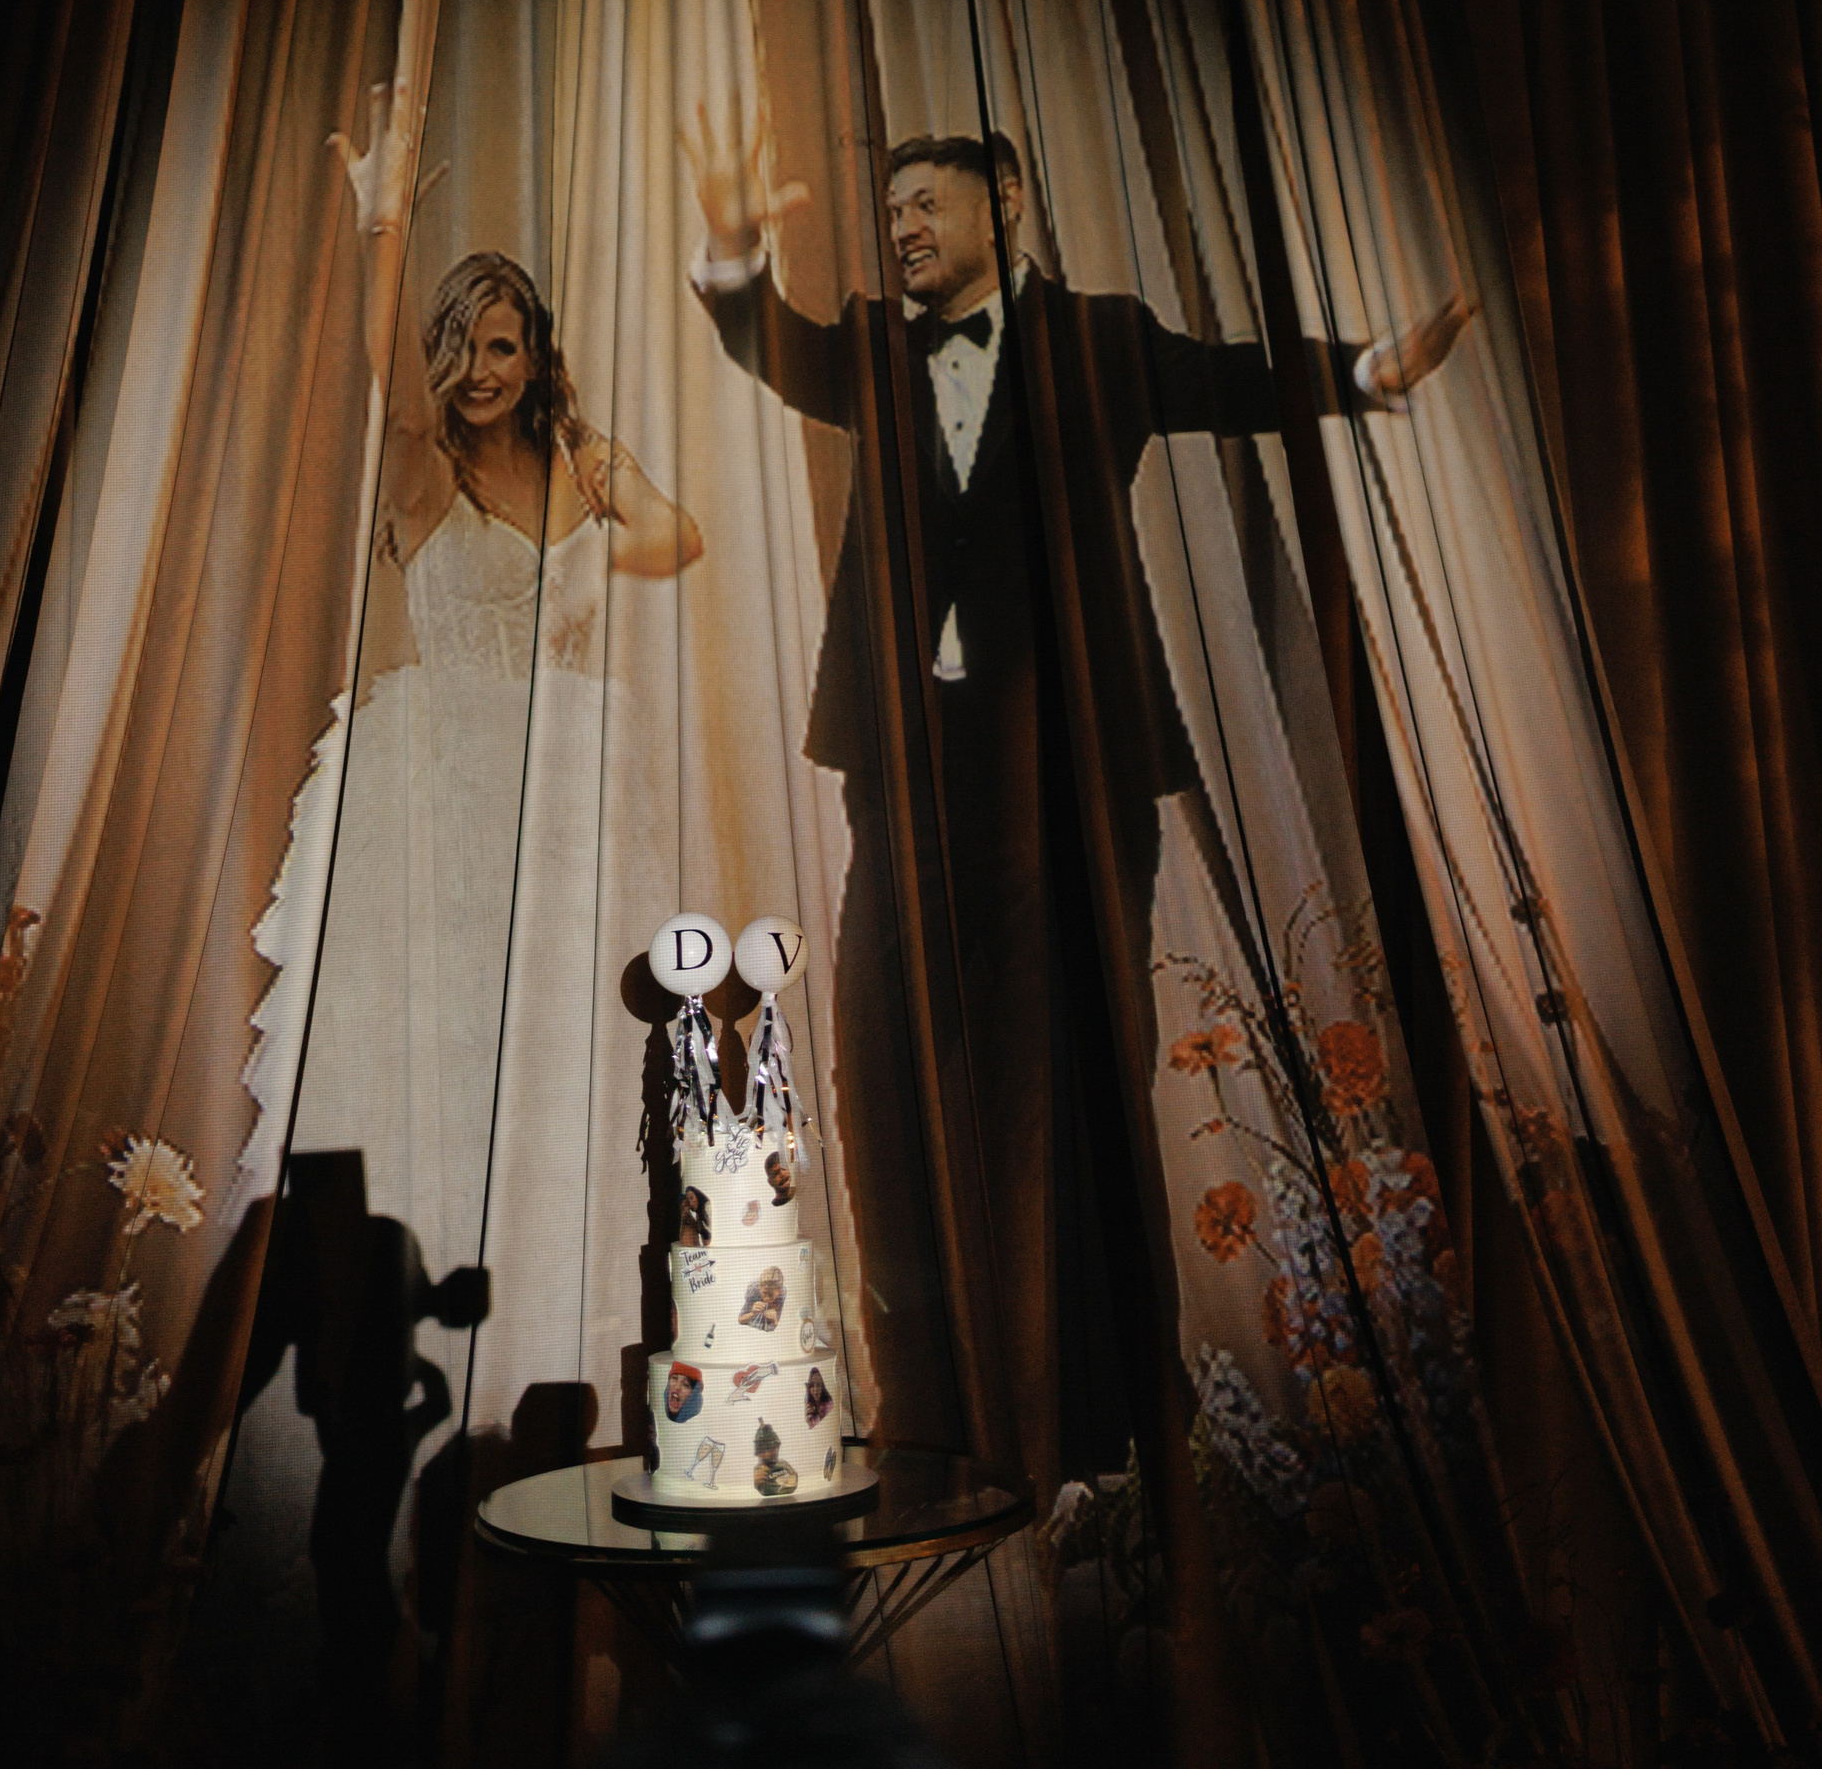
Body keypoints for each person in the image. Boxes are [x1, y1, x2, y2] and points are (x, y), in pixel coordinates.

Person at [681, 104, 1468, 1483]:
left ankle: (1114, 1421)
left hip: (1076, 779)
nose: (904, 229)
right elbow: (773, 345)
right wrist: (737, 253)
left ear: (1006, 202)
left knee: (1078, 1081)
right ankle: (933, 1418)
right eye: (892, 212)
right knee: (887, 1073)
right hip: (908, 782)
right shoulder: (871, 346)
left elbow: (1232, 381)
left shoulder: (1099, 339)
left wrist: (1363, 372)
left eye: (927, 204)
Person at [250, 80, 701, 1317]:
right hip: (448, 784)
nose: (483, 370)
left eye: (506, 347)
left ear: (537, 356)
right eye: (465, 346)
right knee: (452, 1054)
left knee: (573, 1050)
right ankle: (443, 1310)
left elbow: (680, 536)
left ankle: (563, 1304)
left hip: (570, 791)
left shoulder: (579, 462)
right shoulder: (424, 470)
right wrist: (382, 229)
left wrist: (608, 542)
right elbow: (392, 381)